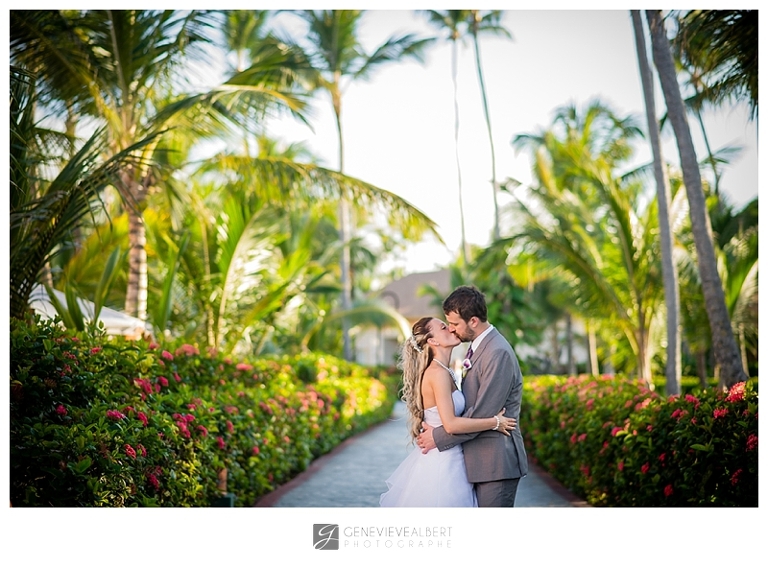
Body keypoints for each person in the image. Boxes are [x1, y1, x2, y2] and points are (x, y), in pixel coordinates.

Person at [380, 316, 516, 507]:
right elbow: (451, 424)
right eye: (444, 327)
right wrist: (495, 422)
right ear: (433, 341)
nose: (451, 329)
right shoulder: (438, 374)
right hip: (442, 465)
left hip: (453, 458)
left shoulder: (446, 371)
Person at [417, 285, 528, 507]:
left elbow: (482, 414)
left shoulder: (497, 353)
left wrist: (437, 437)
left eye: (455, 324)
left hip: (495, 463)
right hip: (477, 462)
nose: (451, 329)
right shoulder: (479, 347)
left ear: (474, 321)